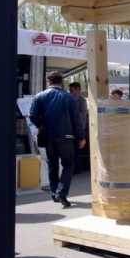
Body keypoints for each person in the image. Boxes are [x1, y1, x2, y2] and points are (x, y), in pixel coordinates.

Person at [30, 71, 85, 207]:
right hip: (67, 137)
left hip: (48, 137)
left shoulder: (39, 96)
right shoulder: (69, 98)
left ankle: (55, 193)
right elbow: (76, 120)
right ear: (62, 82)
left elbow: (33, 116)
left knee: (52, 165)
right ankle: (61, 192)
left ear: (48, 81)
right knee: (68, 165)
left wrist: (42, 125)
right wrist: (81, 137)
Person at [69, 82, 89, 172]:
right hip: (71, 128)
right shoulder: (69, 99)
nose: (71, 92)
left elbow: (82, 115)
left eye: (72, 90)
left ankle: (77, 168)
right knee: (72, 149)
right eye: (70, 90)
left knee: (77, 149)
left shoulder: (82, 100)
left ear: (78, 90)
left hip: (79, 128)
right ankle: (74, 167)